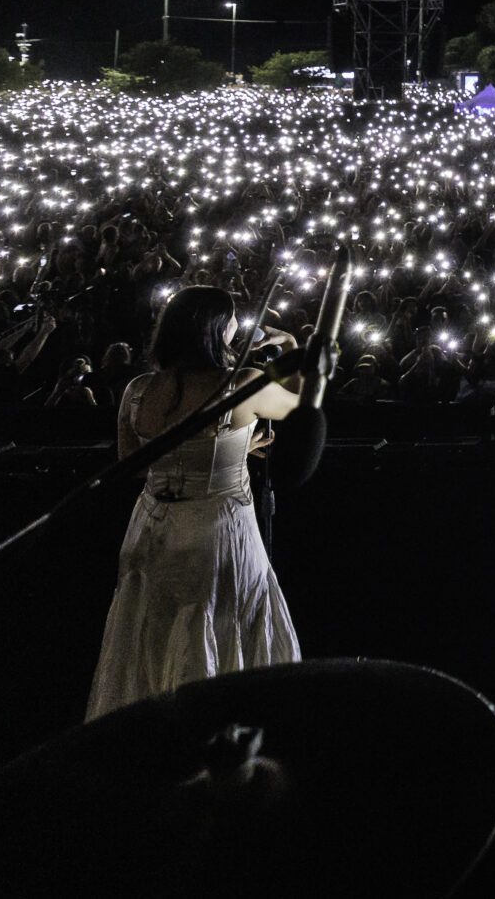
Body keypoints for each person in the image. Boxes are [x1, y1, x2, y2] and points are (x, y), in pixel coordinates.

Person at [84, 286, 327, 720]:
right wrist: (291, 346)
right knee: (219, 618)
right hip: (217, 526)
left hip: (152, 526)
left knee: (153, 628)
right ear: (217, 329)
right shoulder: (242, 385)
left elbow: (132, 464)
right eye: (231, 317)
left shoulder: (138, 389)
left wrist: (227, 447)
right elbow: (300, 405)